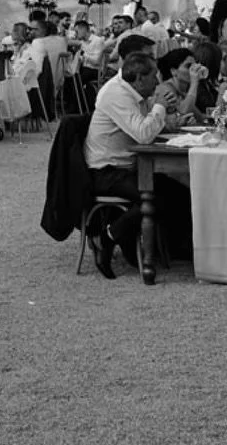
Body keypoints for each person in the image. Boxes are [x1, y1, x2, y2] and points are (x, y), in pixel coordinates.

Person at [83, 50, 190, 278]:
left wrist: (165, 111)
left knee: (180, 192)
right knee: (154, 198)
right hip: (107, 170)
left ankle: (176, 248)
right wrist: (159, 108)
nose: (157, 82)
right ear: (140, 78)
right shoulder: (116, 94)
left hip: (129, 166)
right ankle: (107, 237)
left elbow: (146, 126)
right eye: (154, 77)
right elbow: (143, 134)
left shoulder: (135, 91)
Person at [154, 47, 210, 118]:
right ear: (174, 71)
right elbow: (184, 112)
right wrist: (194, 83)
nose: (192, 70)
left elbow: (200, 117)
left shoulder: (182, 91)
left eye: (194, 66)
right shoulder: (165, 89)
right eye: (188, 66)